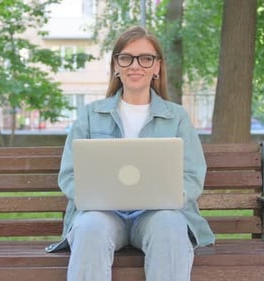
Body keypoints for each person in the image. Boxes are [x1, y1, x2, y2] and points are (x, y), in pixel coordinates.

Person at [45, 25, 215, 281]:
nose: (135, 65)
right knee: (89, 228)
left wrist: (172, 197)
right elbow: (69, 174)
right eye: (126, 57)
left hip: (155, 215)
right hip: (103, 215)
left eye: (146, 58)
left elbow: (192, 175)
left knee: (170, 227)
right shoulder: (91, 115)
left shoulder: (176, 117)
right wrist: (91, 198)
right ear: (116, 65)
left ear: (157, 67)